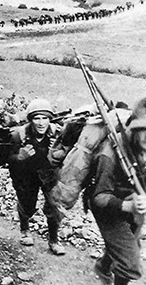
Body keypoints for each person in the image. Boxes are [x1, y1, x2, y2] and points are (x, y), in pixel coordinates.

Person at [89, 97, 146, 285]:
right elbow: (99, 197)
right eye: (144, 130)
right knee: (130, 263)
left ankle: (103, 266)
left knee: (126, 246)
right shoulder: (111, 153)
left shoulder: (143, 150)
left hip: (136, 205)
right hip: (109, 207)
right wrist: (127, 205)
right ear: (134, 128)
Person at [6, 98, 66, 255]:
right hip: (27, 175)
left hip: (51, 175)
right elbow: (2, 158)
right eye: (36, 118)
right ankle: (25, 229)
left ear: (50, 119)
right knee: (27, 204)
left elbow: (72, 154)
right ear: (30, 120)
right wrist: (19, 157)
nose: (41, 122)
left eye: (45, 118)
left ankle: (54, 240)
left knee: (54, 207)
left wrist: (61, 154)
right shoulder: (18, 135)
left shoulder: (58, 133)